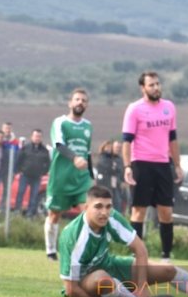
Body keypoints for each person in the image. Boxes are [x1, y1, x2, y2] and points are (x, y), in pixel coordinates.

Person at [59, 185, 188, 297]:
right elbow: (70, 289)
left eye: (108, 206)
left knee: (168, 270)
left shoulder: (112, 218)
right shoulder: (73, 236)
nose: (104, 212)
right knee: (103, 280)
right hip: (87, 279)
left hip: (109, 264)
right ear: (86, 208)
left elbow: (140, 249)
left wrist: (141, 287)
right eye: (98, 207)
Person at [121, 71, 182, 260]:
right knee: (138, 211)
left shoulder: (169, 107)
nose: (156, 88)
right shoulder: (134, 109)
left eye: (157, 84)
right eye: (151, 85)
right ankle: (136, 256)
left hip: (163, 164)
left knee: (166, 211)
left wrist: (177, 164)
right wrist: (127, 166)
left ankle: (166, 255)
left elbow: (172, 139)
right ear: (143, 88)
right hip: (141, 164)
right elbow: (126, 141)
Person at [44, 89, 93, 261]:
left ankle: (79, 252)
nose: (80, 102)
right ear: (70, 103)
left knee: (88, 213)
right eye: (77, 99)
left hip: (81, 180)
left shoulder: (88, 126)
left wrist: (91, 176)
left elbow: (88, 153)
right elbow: (59, 145)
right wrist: (74, 158)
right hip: (60, 178)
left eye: (84, 100)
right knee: (54, 215)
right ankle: (51, 250)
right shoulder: (60, 123)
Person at [15, 128, 50, 217]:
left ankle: (30, 214)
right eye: (35, 136)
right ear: (32, 137)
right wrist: (19, 170)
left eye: (39, 136)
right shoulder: (25, 148)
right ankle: (17, 212)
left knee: (33, 196)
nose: (37, 138)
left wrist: (43, 172)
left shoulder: (44, 150)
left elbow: (48, 163)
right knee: (20, 193)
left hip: (36, 177)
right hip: (25, 175)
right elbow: (18, 159)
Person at [96, 140, 126, 213]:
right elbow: (106, 168)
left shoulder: (118, 159)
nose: (117, 149)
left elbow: (120, 170)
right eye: (116, 147)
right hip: (105, 184)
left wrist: (122, 180)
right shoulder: (103, 157)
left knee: (117, 203)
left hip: (116, 185)